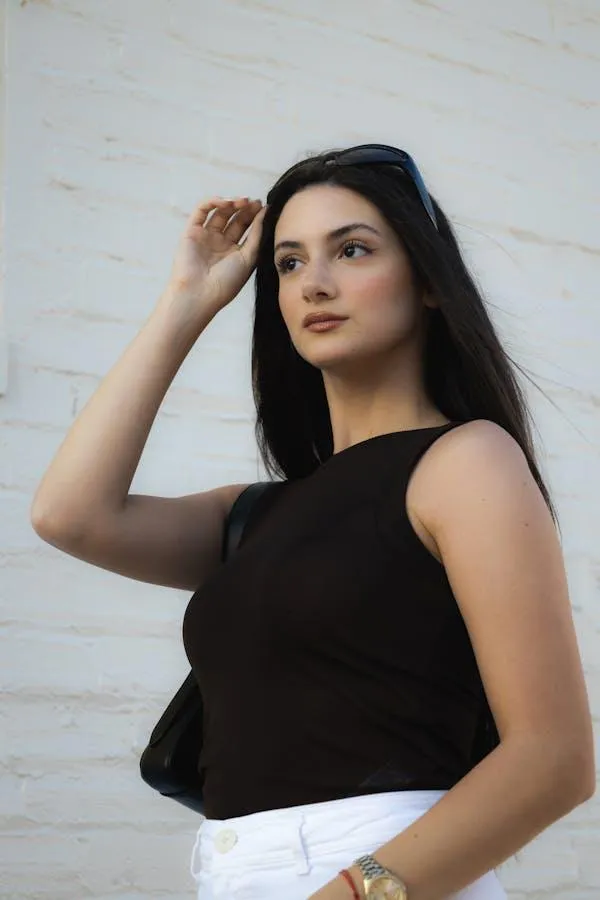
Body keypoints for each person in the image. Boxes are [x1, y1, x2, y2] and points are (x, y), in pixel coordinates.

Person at [31, 144, 595, 900]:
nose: (314, 285)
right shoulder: (255, 515)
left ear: (428, 281)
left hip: (385, 876)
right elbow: (70, 515)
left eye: (352, 250)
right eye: (289, 264)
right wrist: (188, 301)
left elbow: (554, 759)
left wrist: (352, 894)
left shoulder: (465, 462)